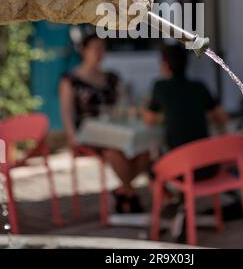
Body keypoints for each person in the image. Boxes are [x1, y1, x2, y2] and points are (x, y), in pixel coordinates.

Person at [59, 34, 149, 213]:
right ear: (84, 51)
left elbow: (128, 104)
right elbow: (67, 111)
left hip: (116, 131)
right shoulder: (70, 80)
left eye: (102, 48)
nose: (99, 53)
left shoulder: (112, 78)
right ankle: (130, 194)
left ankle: (124, 191)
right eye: (95, 48)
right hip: (89, 134)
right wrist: (71, 136)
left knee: (143, 152)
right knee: (114, 153)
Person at [143, 43, 228, 180]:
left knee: (149, 165)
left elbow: (149, 119)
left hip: (181, 169)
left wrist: (167, 115)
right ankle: (176, 197)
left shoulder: (161, 87)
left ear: (165, 65)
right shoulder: (199, 87)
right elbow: (222, 118)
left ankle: (167, 198)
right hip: (208, 167)